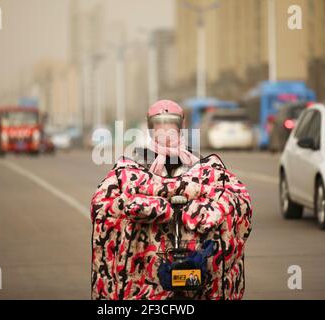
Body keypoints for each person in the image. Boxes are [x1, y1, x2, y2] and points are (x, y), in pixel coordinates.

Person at [91, 100, 252, 300]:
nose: (165, 130)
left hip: (192, 243)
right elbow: (106, 199)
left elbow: (231, 194)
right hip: (150, 250)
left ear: (180, 126)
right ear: (151, 128)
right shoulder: (136, 161)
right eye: (160, 124)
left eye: (170, 123)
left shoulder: (197, 160)